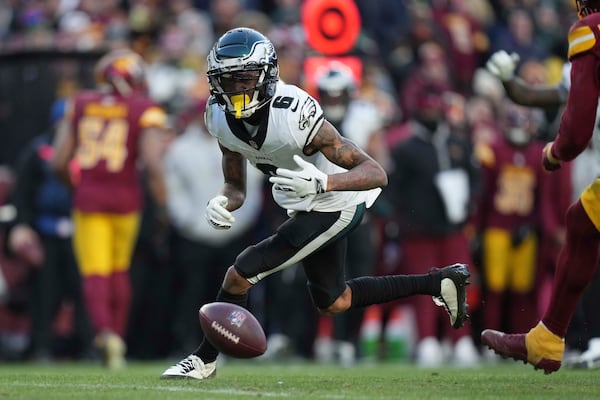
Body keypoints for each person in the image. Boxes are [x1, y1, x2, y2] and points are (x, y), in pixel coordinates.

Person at [160, 27, 471, 380]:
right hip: (304, 203)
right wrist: (223, 201)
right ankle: (441, 282)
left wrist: (325, 181)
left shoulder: (292, 114)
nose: (235, 90)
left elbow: (376, 172)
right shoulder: (218, 117)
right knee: (334, 301)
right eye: (226, 81)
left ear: (266, 75)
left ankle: (204, 360)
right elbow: (236, 185)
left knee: (240, 273)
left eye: (244, 79)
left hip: (336, 201)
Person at [481, 0, 600, 374]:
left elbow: (578, 129)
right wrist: (509, 81)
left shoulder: (592, 30)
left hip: (585, 154)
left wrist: (555, 151)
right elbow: (539, 96)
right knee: (582, 223)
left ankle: (547, 339)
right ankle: (547, 338)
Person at [51, 48, 169, 368]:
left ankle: (106, 334)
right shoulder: (144, 109)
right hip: (126, 200)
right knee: (119, 270)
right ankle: (116, 335)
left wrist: (78, 185)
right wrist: (162, 205)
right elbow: (154, 165)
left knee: (95, 272)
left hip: (89, 199)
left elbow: (60, 160)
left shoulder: (80, 103)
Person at [8, 99, 91, 361]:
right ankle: (40, 346)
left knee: (84, 292)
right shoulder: (38, 150)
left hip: (82, 230)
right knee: (45, 293)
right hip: (46, 230)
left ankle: (88, 347)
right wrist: (22, 225)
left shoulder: (90, 150)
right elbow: (22, 193)